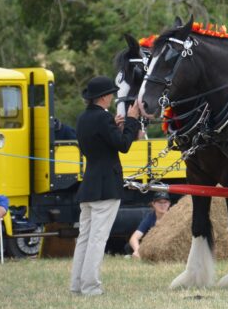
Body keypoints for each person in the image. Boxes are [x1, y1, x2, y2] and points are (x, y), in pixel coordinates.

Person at [70, 76, 141, 296]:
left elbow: (103, 140)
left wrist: (115, 126)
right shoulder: (103, 118)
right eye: (110, 93)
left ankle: (77, 285)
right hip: (105, 186)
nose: (112, 96)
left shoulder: (83, 118)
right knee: (97, 238)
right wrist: (131, 120)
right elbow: (124, 145)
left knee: (85, 237)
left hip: (90, 183)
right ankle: (90, 286)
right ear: (103, 97)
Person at [126, 191, 171, 259]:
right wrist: (137, 251)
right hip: (153, 245)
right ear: (153, 204)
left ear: (169, 204)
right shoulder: (150, 217)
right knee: (128, 247)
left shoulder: (173, 217)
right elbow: (134, 237)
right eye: (159, 202)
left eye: (165, 202)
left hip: (167, 245)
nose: (162, 205)